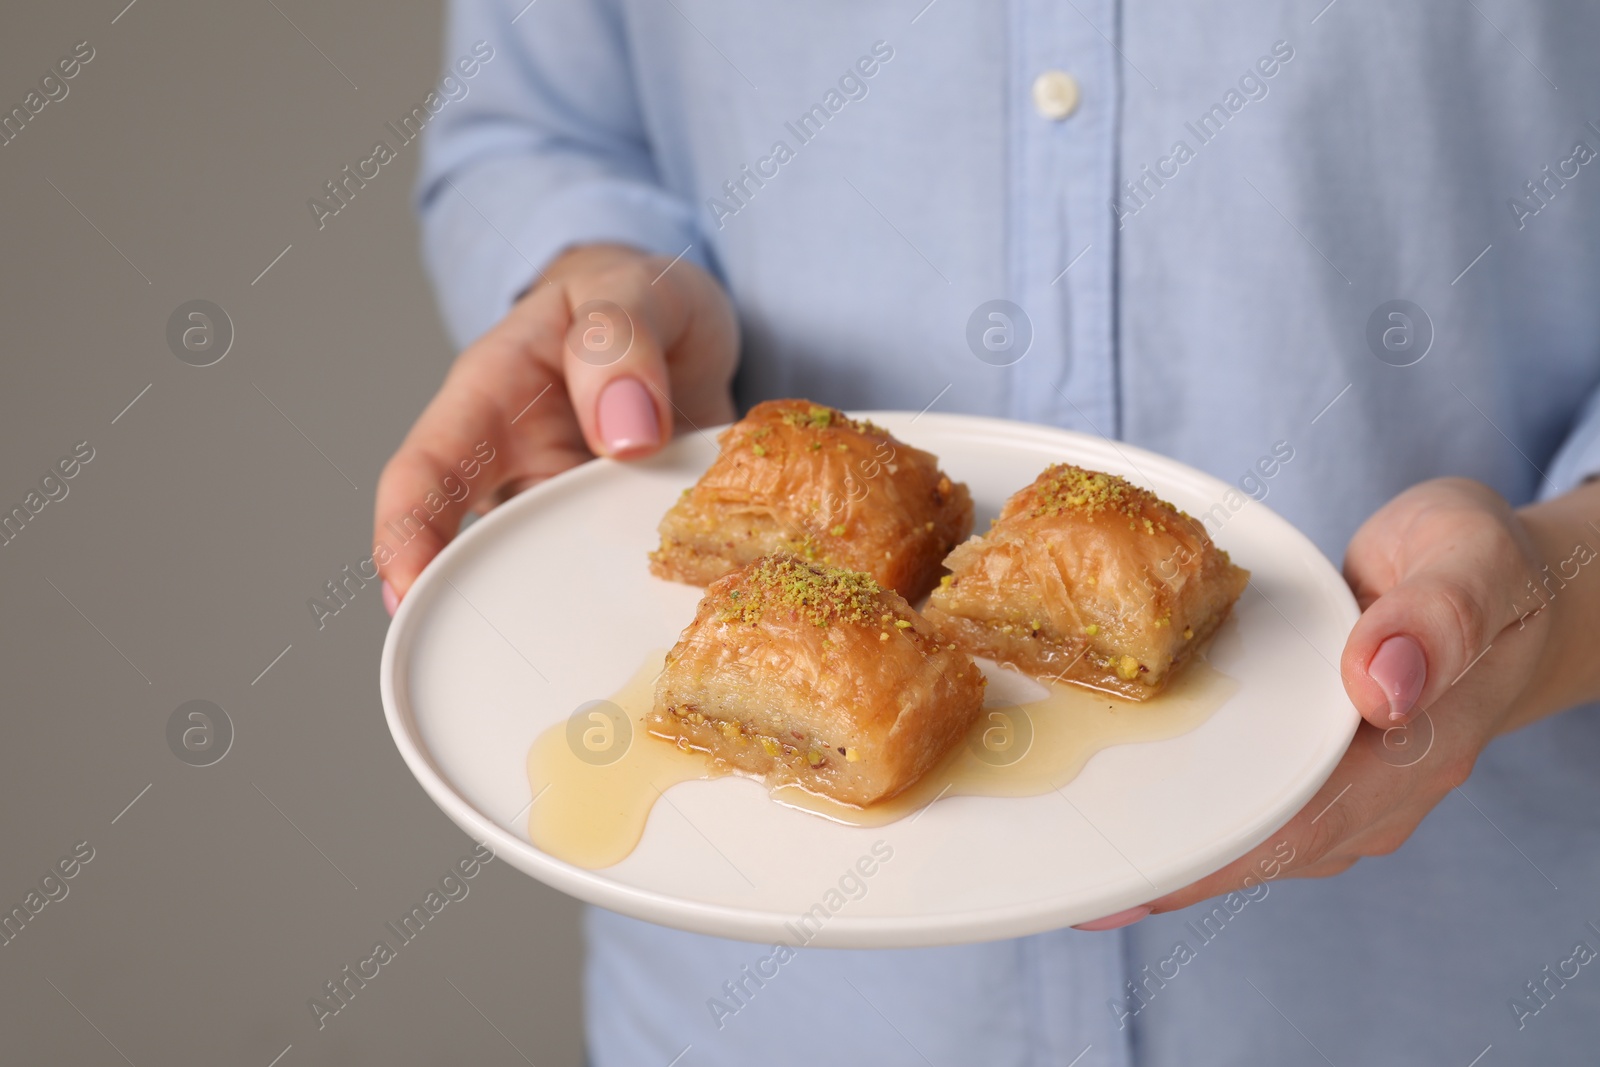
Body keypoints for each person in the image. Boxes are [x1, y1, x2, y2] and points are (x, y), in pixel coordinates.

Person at [374, 2, 1600, 1063]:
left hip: (1437, 982)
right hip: (767, 1008)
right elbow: (532, 126)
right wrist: (596, 288)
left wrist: (1564, 581)